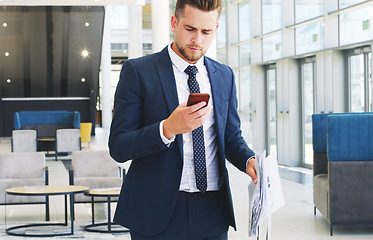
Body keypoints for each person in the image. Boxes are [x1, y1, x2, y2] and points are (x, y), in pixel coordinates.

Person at [109, 0, 257, 239]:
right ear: (174, 23)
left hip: (213, 211)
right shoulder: (138, 72)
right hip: (156, 212)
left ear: (215, 29)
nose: (197, 40)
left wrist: (248, 159)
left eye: (206, 31)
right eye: (190, 29)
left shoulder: (224, 76)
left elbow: (231, 137)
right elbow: (118, 146)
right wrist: (167, 129)